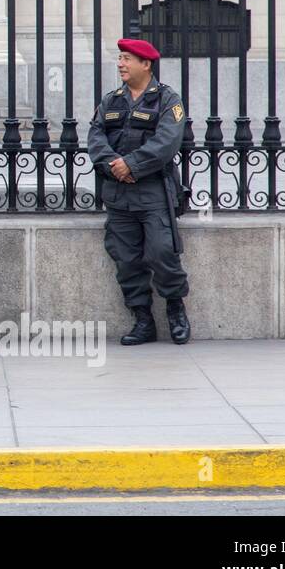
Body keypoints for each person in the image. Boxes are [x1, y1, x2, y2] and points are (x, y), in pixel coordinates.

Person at [86, 38, 192, 345]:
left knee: (162, 252)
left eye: (126, 58)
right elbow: (96, 137)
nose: (120, 64)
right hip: (118, 194)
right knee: (126, 259)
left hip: (153, 192)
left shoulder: (167, 99)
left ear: (146, 64)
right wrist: (114, 166)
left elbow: (167, 142)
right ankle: (143, 320)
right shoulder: (111, 100)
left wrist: (131, 165)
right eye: (120, 58)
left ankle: (175, 309)